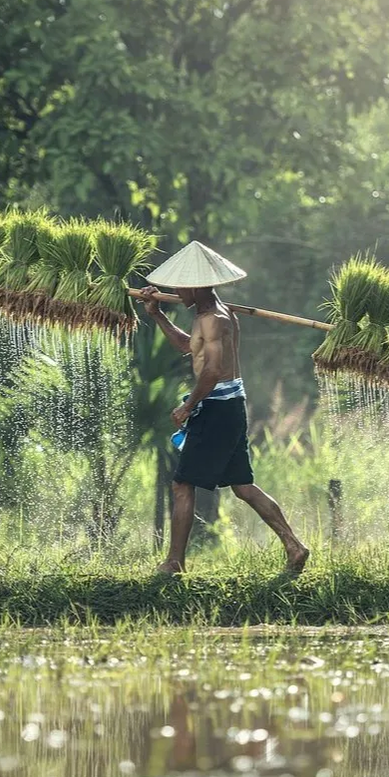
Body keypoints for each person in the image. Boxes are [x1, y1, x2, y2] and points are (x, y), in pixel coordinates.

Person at [140, 241, 310, 576]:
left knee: (182, 484)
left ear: (195, 285)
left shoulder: (215, 319)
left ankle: (174, 562)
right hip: (229, 406)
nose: (175, 290)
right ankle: (294, 546)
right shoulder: (211, 316)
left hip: (217, 408)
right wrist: (157, 314)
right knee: (243, 486)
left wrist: (189, 405)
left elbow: (213, 371)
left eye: (180, 285)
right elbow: (188, 348)